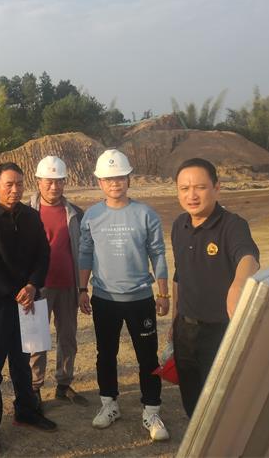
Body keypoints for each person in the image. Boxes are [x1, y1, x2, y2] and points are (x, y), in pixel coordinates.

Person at [78, 149, 170, 442]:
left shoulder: (145, 214)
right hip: (104, 299)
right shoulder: (92, 216)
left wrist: (163, 293)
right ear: (100, 183)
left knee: (147, 357)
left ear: (129, 179)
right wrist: (82, 289)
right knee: (106, 354)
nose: (115, 183)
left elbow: (158, 253)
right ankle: (109, 405)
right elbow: (85, 253)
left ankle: (151, 411)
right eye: (109, 179)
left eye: (120, 177)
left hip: (140, 300)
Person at [0, 162, 57, 454]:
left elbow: (43, 254)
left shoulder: (31, 216)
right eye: (9, 184)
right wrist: (17, 293)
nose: (15, 189)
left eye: (19, 184)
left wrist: (32, 285)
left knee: (23, 362)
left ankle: (27, 411)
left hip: (27, 301)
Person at [170, 157, 260, 417]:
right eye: (184, 188)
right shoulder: (179, 225)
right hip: (185, 331)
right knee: (192, 402)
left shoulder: (232, 225)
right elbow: (180, 275)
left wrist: (239, 284)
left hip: (220, 333)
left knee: (221, 407)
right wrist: (175, 318)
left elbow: (248, 257)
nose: (192, 195)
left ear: (216, 188)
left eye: (200, 187)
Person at [27, 156, 89, 408]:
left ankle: (63, 385)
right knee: (36, 341)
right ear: (38, 182)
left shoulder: (75, 214)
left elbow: (83, 252)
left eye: (59, 181)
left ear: (65, 182)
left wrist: (83, 287)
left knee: (67, 338)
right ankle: (34, 387)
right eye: (49, 181)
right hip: (37, 287)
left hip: (67, 285)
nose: (54, 187)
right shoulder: (26, 212)